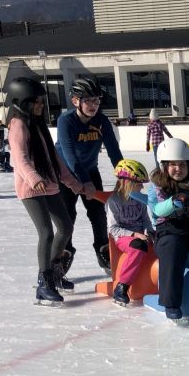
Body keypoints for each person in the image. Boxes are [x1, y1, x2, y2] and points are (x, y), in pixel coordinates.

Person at [7, 77, 84, 306]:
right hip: (30, 188)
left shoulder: (37, 123)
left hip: (48, 184)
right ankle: (45, 283)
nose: (41, 105)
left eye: (42, 101)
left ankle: (53, 272)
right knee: (46, 232)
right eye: (37, 101)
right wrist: (33, 177)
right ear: (23, 102)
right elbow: (19, 157)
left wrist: (72, 182)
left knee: (66, 227)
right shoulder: (18, 125)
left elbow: (54, 159)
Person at [56, 77, 124, 273]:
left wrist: (124, 176)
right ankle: (63, 254)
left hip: (90, 171)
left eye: (96, 100)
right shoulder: (66, 121)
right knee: (68, 217)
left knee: (98, 215)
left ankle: (103, 250)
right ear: (76, 101)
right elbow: (70, 157)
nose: (93, 105)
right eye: (88, 101)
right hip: (65, 175)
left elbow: (114, 151)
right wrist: (84, 182)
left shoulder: (101, 121)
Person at [147, 138, 189, 324]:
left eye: (182, 164)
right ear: (164, 165)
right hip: (169, 233)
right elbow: (156, 210)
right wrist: (173, 202)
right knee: (173, 247)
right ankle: (171, 303)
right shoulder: (157, 186)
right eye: (173, 164)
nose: (178, 169)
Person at [106, 159, 153, 307]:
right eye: (138, 183)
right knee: (138, 246)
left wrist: (150, 230)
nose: (141, 186)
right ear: (127, 182)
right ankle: (122, 287)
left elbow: (146, 219)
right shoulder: (113, 201)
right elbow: (113, 229)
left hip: (141, 234)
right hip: (123, 237)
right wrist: (134, 235)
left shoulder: (140, 199)